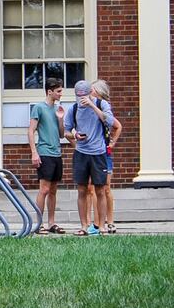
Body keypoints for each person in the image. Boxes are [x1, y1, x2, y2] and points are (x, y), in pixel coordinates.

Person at [63, 79, 119, 236]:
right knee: (82, 189)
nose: (81, 99)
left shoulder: (101, 105)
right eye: (78, 96)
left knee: (100, 189)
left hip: (99, 152)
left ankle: (101, 225)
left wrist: (92, 106)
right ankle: (84, 226)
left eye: (84, 95)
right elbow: (66, 131)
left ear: (90, 93)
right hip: (81, 152)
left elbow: (109, 121)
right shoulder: (73, 109)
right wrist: (74, 134)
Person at [27, 77, 67, 234]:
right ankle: (39, 224)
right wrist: (34, 152)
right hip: (44, 152)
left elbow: (62, 134)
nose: (61, 94)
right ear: (49, 92)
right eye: (58, 91)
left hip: (57, 153)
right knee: (44, 189)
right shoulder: (39, 108)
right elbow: (30, 131)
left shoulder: (58, 109)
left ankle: (51, 223)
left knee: (53, 190)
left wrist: (61, 120)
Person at [91, 79, 122, 234]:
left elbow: (117, 126)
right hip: (93, 152)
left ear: (98, 92)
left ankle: (110, 222)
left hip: (104, 154)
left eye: (92, 90)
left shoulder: (104, 108)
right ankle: (97, 222)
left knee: (106, 188)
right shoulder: (89, 108)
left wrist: (112, 143)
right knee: (93, 188)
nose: (90, 92)